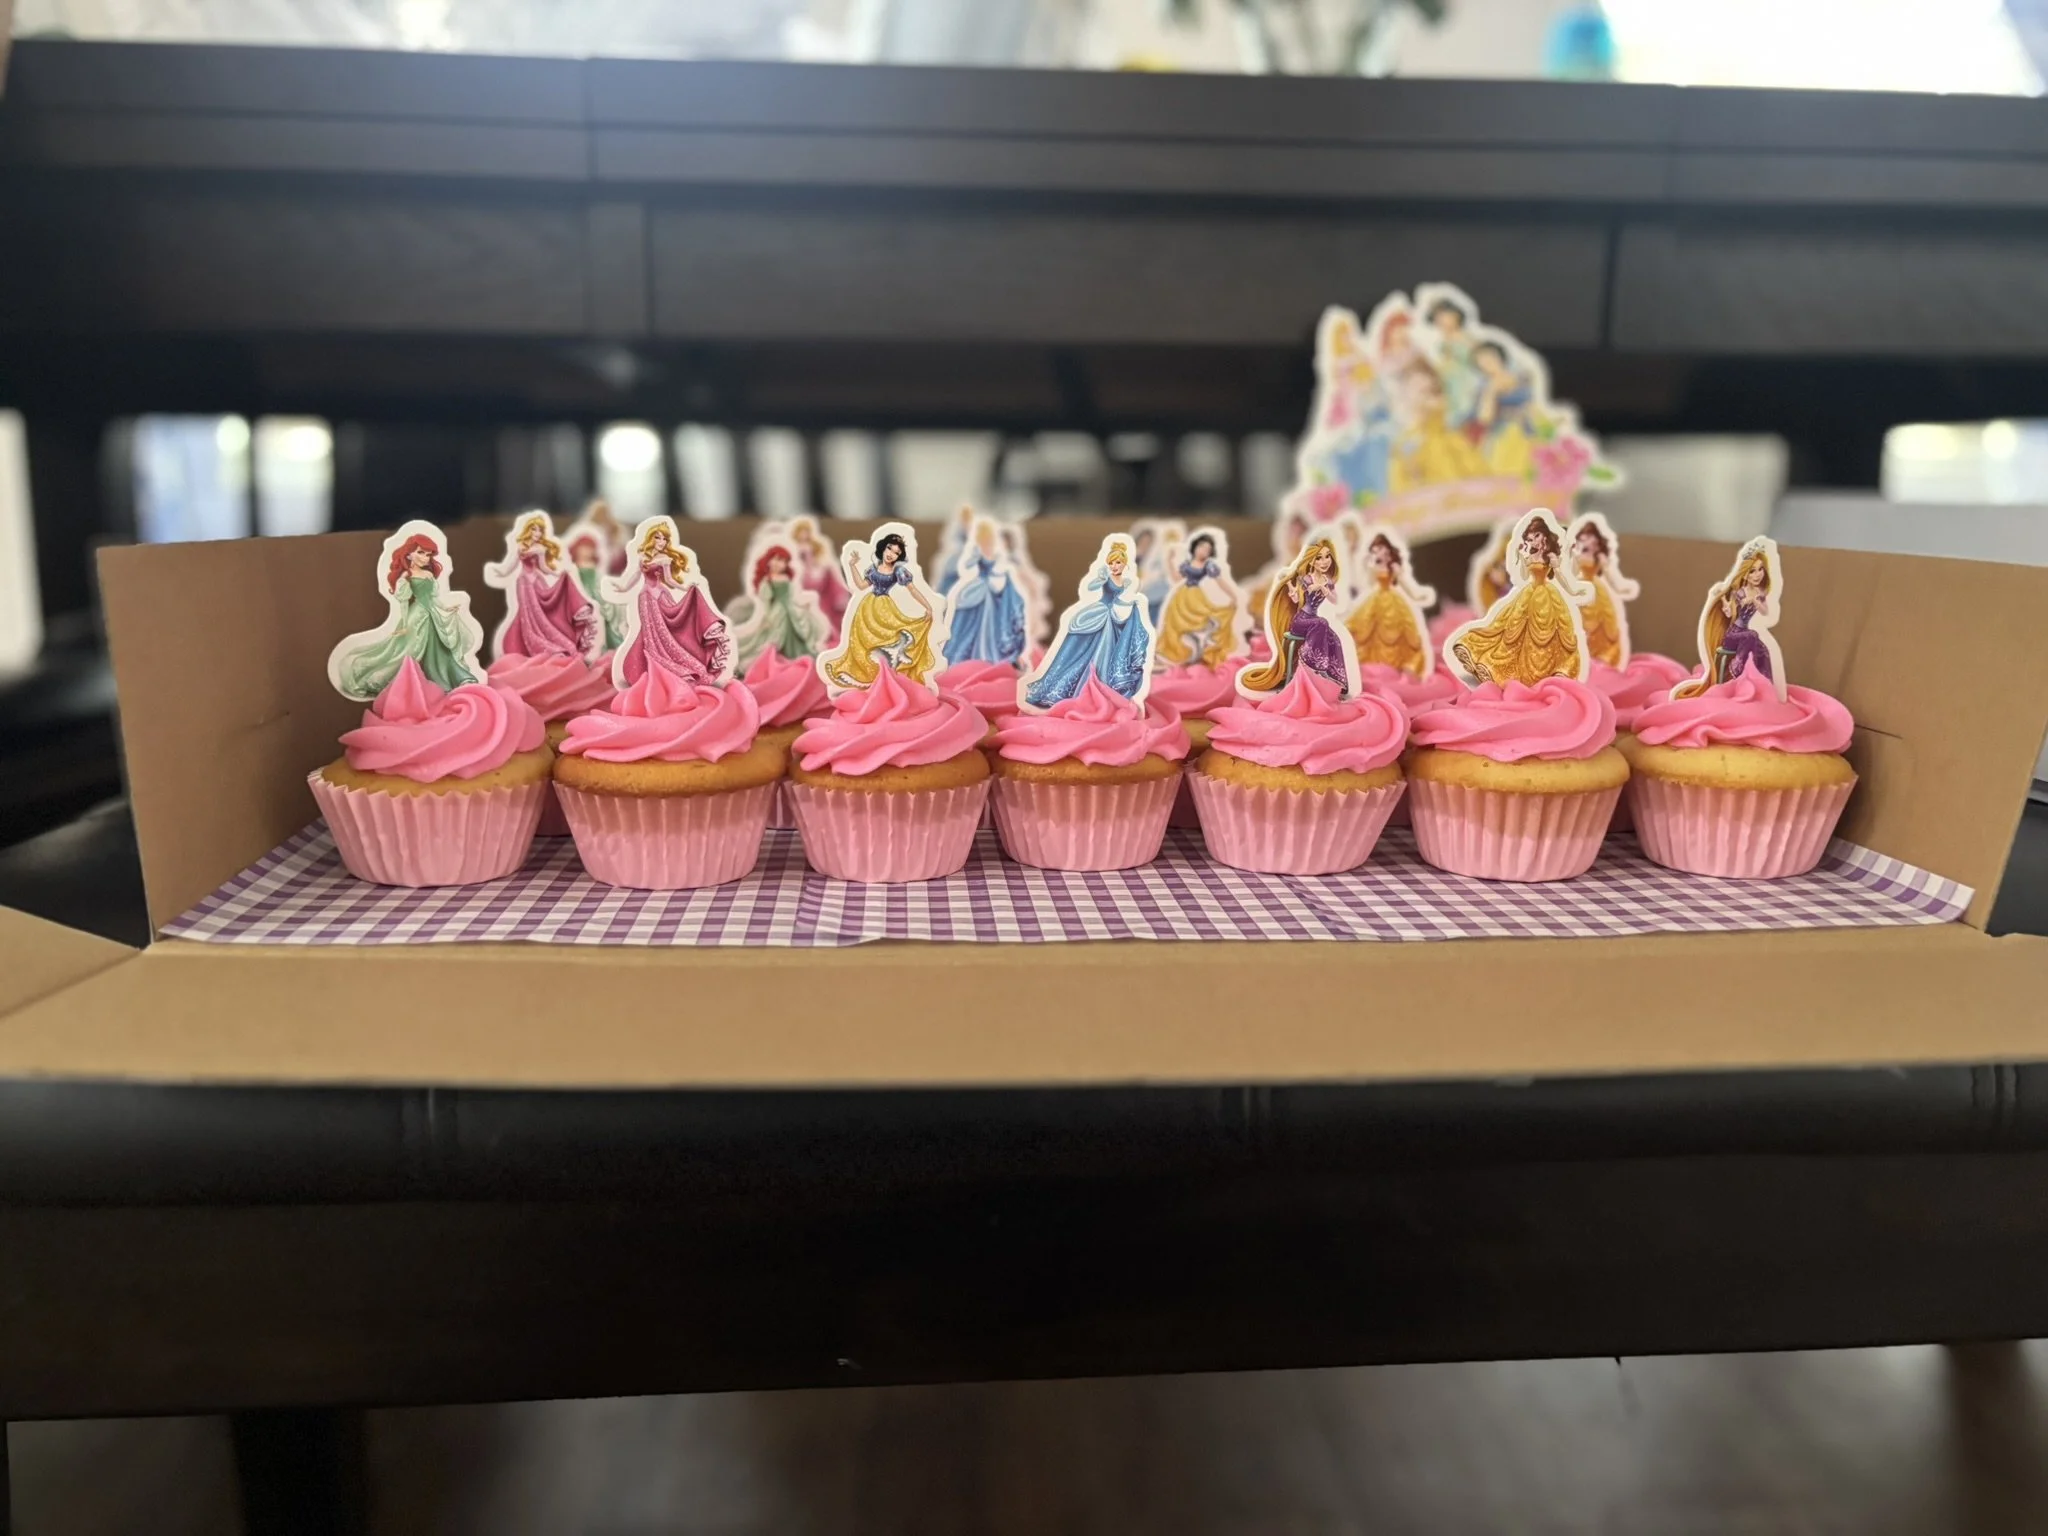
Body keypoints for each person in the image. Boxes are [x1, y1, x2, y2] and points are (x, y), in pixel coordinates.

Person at [331, 531, 479, 697]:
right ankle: (392, 681)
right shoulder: (407, 576)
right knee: (410, 651)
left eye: (428, 555)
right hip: (417, 616)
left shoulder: (429, 574)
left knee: (440, 649)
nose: (425, 558)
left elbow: (434, 598)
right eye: (420, 553)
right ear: (409, 554)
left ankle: (452, 678)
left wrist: (445, 609)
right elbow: (403, 601)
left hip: (433, 614)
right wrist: (403, 622)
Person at [1449, 515, 1588, 685]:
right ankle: (1509, 672)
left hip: (1548, 598)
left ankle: (1547, 672)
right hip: (1527, 596)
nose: (1534, 539)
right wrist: (1518, 556)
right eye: (1531, 536)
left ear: (1544, 536)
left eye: (1537, 535)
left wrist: (1574, 590)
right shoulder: (1527, 557)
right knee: (1511, 633)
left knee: (1550, 637)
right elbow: (1520, 577)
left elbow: (1562, 578)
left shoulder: (1551, 557)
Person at [1023, 538, 1151, 707]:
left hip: (1112, 616)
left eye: (1118, 562)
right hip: (1097, 613)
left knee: (1108, 652)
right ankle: (1075, 687)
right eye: (1111, 562)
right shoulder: (1106, 578)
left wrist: (1131, 605)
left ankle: (1102, 689)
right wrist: (1099, 578)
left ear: (1124, 564)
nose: (1115, 565)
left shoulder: (1127, 582)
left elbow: (1120, 600)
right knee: (1082, 650)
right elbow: (1090, 588)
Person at [617, 523, 730, 685]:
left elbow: (669, 579)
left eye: (664, 539)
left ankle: (672, 664)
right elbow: (635, 576)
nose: (661, 542)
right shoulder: (643, 557)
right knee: (649, 633)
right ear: (651, 539)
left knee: (664, 632)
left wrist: (686, 587)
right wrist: (623, 588)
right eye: (658, 537)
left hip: (659, 596)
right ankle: (650, 666)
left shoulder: (664, 559)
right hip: (644, 597)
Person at [821, 531, 937, 689]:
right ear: (883, 548)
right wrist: (852, 565)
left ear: (899, 557)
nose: (891, 554)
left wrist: (928, 606)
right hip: (867, 610)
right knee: (863, 643)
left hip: (886, 609)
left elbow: (913, 590)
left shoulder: (898, 571)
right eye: (890, 548)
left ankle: (891, 677)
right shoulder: (873, 569)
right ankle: (870, 677)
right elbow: (861, 586)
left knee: (894, 637)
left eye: (897, 553)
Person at [1239, 538, 1350, 696]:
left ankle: (1334, 678)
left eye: (1327, 556)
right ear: (1311, 561)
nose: (1324, 561)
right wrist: (1292, 590)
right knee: (1322, 623)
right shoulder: (1306, 579)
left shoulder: (1328, 581)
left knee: (1334, 638)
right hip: (1302, 620)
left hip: (1315, 622)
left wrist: (1325, 589)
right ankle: (1312, 664)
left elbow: (1335, 600)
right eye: (1319, 557)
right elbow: (1299, 598)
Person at [488, 514, 598, 660]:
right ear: (528, 530)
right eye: (534, 529)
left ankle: (548, 643)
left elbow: (544, 567)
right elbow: (511, 565)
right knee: (525, 615)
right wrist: (500, 572)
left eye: (540, 530)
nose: (537, 533)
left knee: (541, 616)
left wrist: (560, 573)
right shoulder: (521, 546)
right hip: (523, 583)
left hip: (536, 582)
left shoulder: (540, 548)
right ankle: (527, 646)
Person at [1675, 542, 1777, 696]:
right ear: (1745, 575)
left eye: (1760, 569)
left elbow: (1765, 612)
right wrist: (1727, 607)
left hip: (1745, 635)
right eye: (1752, 571)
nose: (1757, 575)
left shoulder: (1760, 593)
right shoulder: (1740, 593)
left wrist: (1757, 601)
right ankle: (1736, 666)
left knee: (1762, 648)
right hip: (1733, 635)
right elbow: (1731, 613)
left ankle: (1761, 682)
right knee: (1752, 635)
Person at [1346, 531, 1435, 678]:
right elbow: (1366, 583)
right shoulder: (1372, 566)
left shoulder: (1394, 569)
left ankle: (1401, 672)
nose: (1381, 555)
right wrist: (1370, 565)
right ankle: (1374, 671)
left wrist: (1419, 596)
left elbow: (1406, 585)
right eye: (1377, 551)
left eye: (1384, 551)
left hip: (1395, 603)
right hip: (1375, 602)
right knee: (1365, 630)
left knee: (1405, 635)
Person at [942, 520, 1029, 667]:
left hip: (994, 587)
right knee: (971, 624)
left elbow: (1000, 567)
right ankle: (971, 658)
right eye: (985, 537)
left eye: (989, 538)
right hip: (980, 588)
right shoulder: (976, 551)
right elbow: (966, 566)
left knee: (998, 618)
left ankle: (991, 657)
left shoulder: (997, 554)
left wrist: (999, 571)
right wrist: (975, 556)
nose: (988, 541)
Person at [733, 544, 829, 668]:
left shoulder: (785, 578)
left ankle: (796, 656)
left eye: (783, 561)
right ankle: (775, 660)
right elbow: (766, 602)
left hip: (791, 610)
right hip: (778, 612)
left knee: (800, 630)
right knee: (776, 637)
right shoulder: (767, 581)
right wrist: (767, 617)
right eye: (777, 559)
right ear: (769, 561)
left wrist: (801, 604)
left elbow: (791, 597)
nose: (779, 564)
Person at [1155, 533, 1241, 669]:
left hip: (1196, 598)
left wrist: (1233, 596)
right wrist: (1170, 561)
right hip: (1181, 598)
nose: (1203, 551)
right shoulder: (1187, 564)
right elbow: (1177, 578)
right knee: (1174, 625)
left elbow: (1221, 581)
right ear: (1195, 547)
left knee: (1206, 620)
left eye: (1207, 550)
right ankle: (1175, 654)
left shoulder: (1209, 566)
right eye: (1202, 547)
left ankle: (1203, 652)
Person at [1570, 518, 1639, 669]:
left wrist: (1625, 588)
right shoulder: (1574, 556)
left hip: (1598, 596)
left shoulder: (1601, 559)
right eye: (1585, 541)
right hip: (1580, 592)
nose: (1589, 546)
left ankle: (1601, 664)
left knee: (1604, 631)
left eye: (1593, 543)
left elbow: (1613, 579)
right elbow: (1568, 576)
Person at [1472, 341, 1540, 480]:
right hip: (1503, 436)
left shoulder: (1523, 376)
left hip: (1529, 432)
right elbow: (1484, 418)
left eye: (1490, 356)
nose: (1487, 361)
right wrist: (1491, 392)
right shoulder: (1484, 387)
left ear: (1500, 356)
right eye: (1481, 359)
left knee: (1532, 476)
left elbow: (1534, 404)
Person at [1426, 296, 1483, 433]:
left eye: (1445, 316)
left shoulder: (1465, 338)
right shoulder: (1442, 342)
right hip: (1449, 385)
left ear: (1456, 316)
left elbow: (1477, 360)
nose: (1441, 321)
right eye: (1437, 318)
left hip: (1466, 383)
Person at [567, 531, 628, 651]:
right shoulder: (573, 568)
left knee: (606, 609)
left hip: (594, 594)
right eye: (584, 548)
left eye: (590, 548)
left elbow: (598, 583)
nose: (587, 551)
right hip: (579, 595)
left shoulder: (594, 568)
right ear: (577, 549)